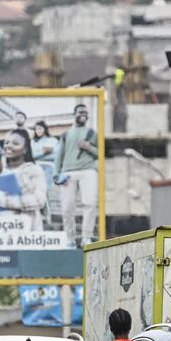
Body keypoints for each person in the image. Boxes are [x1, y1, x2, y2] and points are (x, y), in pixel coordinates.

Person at [53, 104, 100, 247]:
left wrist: (89, 147)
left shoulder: (93, 133)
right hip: (68, 172)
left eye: (86, 112)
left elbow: (100, 154)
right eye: (80, 112)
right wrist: (56, 173)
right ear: (74, 114)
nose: (83, 114)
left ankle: (87, 237)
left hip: (89, 170)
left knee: (90, 203)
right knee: (67, 207)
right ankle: (70, 239)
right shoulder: (66, 134)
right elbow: (58, 155)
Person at [0, 129, 49, 230]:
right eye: (6, 142)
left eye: (15, 143)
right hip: (2, 228)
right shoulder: (0, 171)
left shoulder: (33, 169)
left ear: (25, 149)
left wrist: (0, 199)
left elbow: (39, 200)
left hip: (27, 229)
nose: (8, 146)